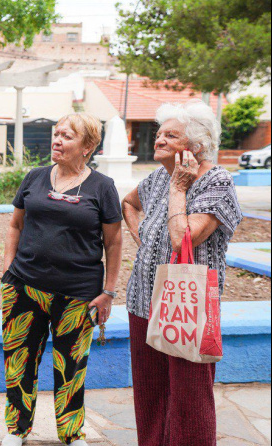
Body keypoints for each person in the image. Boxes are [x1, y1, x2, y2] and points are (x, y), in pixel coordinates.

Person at [122, 100, 242, 446]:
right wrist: (145, 238)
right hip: (143, 301)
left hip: (188, 307)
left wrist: (179, 189)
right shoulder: (158, 177)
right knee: (150, 394)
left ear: (196, 147)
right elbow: (128, 203)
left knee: (190, 398)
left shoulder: (216, 182)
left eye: (171, 135)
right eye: (159, 133)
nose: (159, 139)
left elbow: (182, 238)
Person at [0, 113, 123, 446]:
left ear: (87, 146)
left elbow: (113, 242)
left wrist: (109, 292)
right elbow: (15, 225)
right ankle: (16, 429)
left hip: (78, 293)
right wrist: (9, 272)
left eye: (67, 136)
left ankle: (71, 434)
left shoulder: (102, 187)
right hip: (24, 287)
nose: (57, 140)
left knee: (71, 367)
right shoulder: (35, 177)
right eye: (56, 134)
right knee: (19, 362)